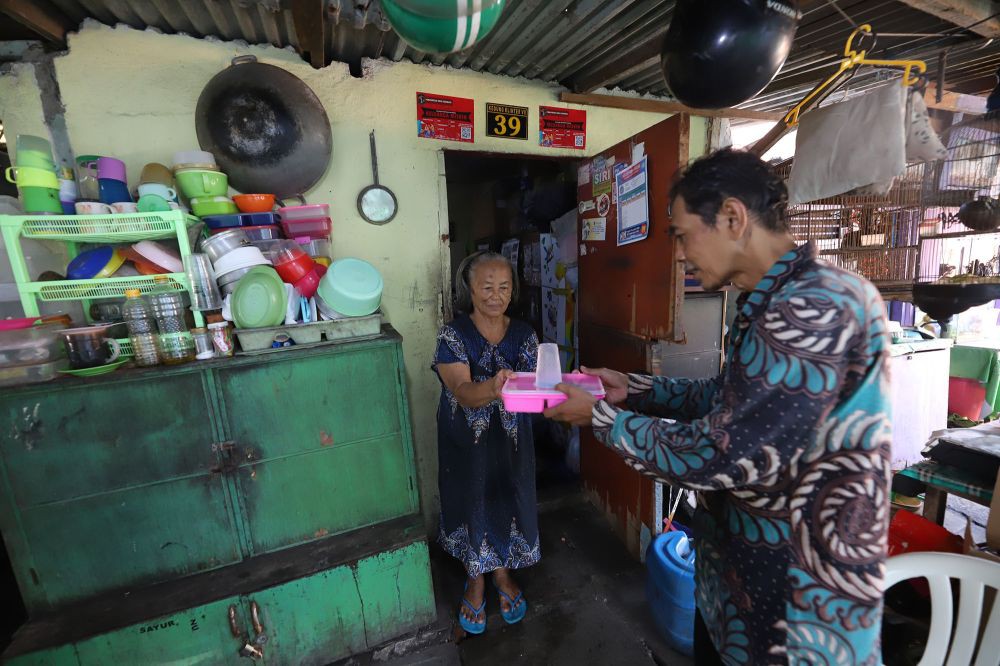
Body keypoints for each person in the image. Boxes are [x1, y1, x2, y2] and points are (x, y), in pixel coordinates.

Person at [546, 149, 891, 664]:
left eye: (683, 236)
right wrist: (634, 389)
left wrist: (601, 419)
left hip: (797, 611)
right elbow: (731, 402)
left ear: (733, 217)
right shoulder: (766, 300)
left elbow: (725, 451)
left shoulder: (816, 305)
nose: (680, 255)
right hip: (741, 588)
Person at [432, 251, 541, 635]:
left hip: (511, 440)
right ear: (471, 290)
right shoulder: (453, 335)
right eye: (487, 287)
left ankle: (502, 575)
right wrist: (494, 387)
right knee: (471, 501)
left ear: (513, 290)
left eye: (504, 287)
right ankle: (475, 580)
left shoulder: (525, 334)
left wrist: (558, 391)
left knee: (506, 499)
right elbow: (461, 391)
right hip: (466, 441)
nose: (496, 296)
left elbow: (533, 388)